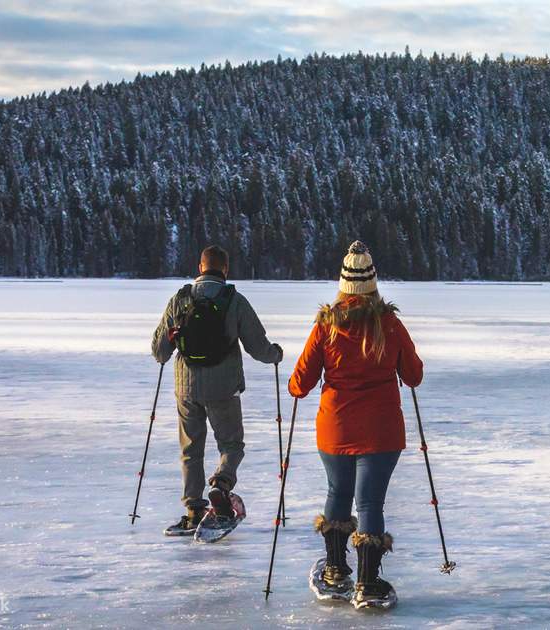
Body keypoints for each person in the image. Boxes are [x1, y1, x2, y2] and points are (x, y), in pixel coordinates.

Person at [289, 240, 423, 607]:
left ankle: (335, 571)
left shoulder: (326, 326)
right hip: (381, 431)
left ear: (343, 285)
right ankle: (368, 583)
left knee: (338, 493)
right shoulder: (390, 324)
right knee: (370, 504)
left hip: (336, 428)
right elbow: (413, 375)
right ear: (372, 283)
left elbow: (299, 384)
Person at [152, 245, 284, 536]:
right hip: (223, 387)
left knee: (190, 449)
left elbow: (159, 351)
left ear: (200, 268)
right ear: (225, 270)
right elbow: (257, 347)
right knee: (232, 444)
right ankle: (221, 484)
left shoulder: (180, 300)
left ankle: (193, 509)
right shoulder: (234, 301)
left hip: (186, 388)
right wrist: (276, 354)